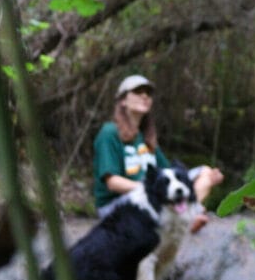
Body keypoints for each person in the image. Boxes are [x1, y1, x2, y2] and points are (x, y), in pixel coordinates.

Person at [93, 74, 223, 230]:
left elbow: (169, 173)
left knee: (205, 173)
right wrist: (149, 189)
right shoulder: (109, 132)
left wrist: (208, 179)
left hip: (149, 196)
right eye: (137, 91)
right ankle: (187, 219)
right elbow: (112, 183)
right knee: (154, 196)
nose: (144, 96)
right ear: (122, 100)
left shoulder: (146, 137)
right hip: (116, 204)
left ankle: (188, 216)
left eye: (148, 93)